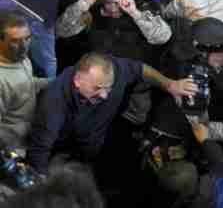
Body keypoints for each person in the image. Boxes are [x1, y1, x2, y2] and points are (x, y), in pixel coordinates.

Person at [26, 52, 198, 175]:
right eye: (98, 88)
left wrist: (169, 85)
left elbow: (140, 69)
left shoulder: (113, 69)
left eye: (109, 87)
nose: (105, 95)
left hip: (98, 142)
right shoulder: (53, 103)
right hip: (66, 151)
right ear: (77, 80)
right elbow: (39, 151)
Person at [0, 12, 50, 148]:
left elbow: (26, 82)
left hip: (28, 133)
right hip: (13, 145)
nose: (24, 46)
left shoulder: (20, 58)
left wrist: (54, 82)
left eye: (27, 38)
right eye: (15, 41)